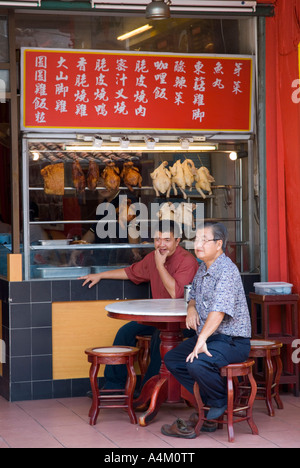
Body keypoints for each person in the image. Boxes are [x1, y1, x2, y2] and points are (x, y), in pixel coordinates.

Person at [80, 220, 199, 391]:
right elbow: (130, 272)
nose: (161, 244)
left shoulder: (187, 261)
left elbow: (176, 293)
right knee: (125, 332)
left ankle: (148, 392)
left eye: (167, 239)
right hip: (158, 319)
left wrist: (160, 265)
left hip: (184, 322)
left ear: (177, 241)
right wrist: (100, 275)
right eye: (157, 239)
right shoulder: (153, 257)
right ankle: (114, 386)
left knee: (161, 337)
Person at [161, 222, 251, 439]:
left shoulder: (227, 270)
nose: (197, 244)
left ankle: (219, 400)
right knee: (173, 359)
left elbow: (219, 312)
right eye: (196, 239)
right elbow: (192, 294)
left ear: (218, 244)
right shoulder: (203, 268)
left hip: (231, 340)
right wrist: (191, 308)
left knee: (197, 363)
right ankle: (209, 399)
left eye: (204, 240)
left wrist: (201, 339)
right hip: (211, 338)